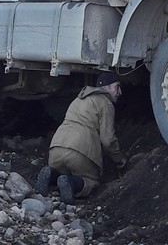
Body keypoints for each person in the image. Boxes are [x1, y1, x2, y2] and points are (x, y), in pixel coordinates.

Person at [34, 72, 126, 203]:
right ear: (106, 87)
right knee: (91, 181)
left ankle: (51, 175)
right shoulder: (106, 103)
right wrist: (119, 160)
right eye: (117, 87)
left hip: (56, 147)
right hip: (81, 151)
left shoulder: (78, 99)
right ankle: (71, 183)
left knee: (62, 173)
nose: (120, 92)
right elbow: (108, 140)